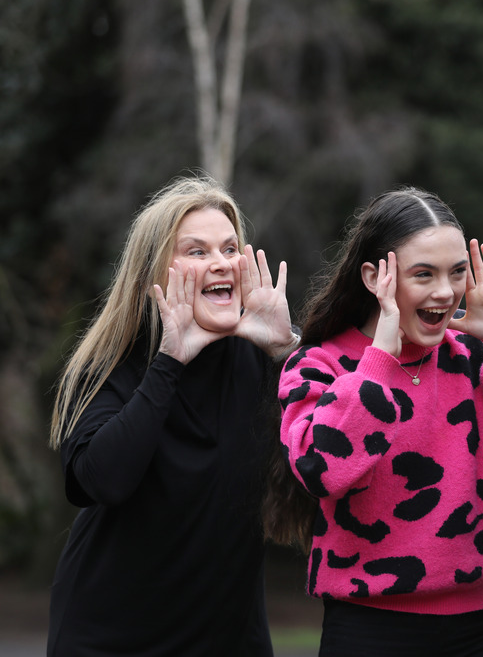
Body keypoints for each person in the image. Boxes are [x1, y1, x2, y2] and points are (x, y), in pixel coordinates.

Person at [47, 175, 299, 657]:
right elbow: (101, 481)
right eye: (197, 251)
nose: (221, 262)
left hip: (229, 639)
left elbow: (350, 442)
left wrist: (289, 351)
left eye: (229, 248)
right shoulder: (111, 364)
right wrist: (169, 362)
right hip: (112, 639)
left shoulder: (267, 358)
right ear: (153, 279)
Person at [275, 187, 483, 656]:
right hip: (368, 628)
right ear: (375, 278)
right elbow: (321, 469)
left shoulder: (472, 357)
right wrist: (379, 363)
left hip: (477, 627)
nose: (445, 292)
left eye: (457, 272)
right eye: (423, 274)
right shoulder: (318, 365)